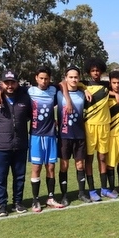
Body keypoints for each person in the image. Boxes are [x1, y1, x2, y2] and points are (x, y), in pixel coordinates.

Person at [26, 66, 70, 211]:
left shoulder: (53, 90)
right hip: (36, 136)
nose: (44, 81)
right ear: (36, 78)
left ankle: (50, 198)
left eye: (46, 79)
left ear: (49, 79)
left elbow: (64, 83)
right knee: (36, 168)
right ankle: (35, 199)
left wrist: (68, 100)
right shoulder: (29, 91)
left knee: (50, 167)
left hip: (51, 135)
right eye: (41, 78)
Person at [0, 69, 32, 216]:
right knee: (1, 177)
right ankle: (2, 205)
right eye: (6, 82)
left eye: (12, 82)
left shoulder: (24, 98)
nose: (10, 85)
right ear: (2, 83)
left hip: (20, 144)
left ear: (17, 83)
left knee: (19, 176)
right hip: (0, 145)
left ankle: (17, 202)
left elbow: (30, 116)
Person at [82, 57, 118, 201]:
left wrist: (116, 94)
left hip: (105, 126)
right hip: (90, 126)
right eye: (93, 70)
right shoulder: (84, 84)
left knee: (102, 157)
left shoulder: (106, 85)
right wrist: (84, 89)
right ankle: (91, 190)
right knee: (89, 159)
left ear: (102, 71)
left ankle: (104, 189)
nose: (95, 73)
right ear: (89, 72)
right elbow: (64, 83)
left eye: (98, 70)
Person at [57, 66, 90, 205]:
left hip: (79, 135)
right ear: (66, 78)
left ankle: (81, 193)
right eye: (70, 77)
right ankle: (64, 195)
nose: (73, 79)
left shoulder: (83, 94)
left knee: (80, 165)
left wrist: (85, 88)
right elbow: (59, 84)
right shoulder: (58, 93)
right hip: (64, 136)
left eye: (76, 77)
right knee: (64, 166)